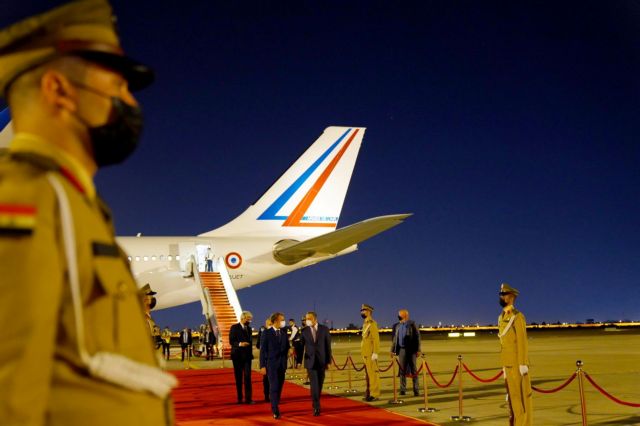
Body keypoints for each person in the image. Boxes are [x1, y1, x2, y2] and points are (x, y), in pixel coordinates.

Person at [0, 1, 176, 424]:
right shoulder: (25, 198)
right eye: (117, 86)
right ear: (58, 90)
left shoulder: (72, 200)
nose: (129, 102)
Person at [498, 283, 533, 426]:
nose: (501, 297)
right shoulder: (501, 317)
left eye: (504, 294)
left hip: (517, 364)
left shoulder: (517, 317)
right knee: (512, 399)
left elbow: (522, 341)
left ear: (511, 297)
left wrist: (523, 363)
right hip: (507, 363)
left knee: (521, 399)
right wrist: (503, 365)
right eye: (501, 294)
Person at [300, 311, 332, 416]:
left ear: (315, 319)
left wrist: (328, 361)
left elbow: (328, 346)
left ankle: (316, 400)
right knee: (314, 384)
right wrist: (299, 361)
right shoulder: (304, 331)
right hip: (310, 361)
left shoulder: (324, 329)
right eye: (306, 318)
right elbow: (301, 347)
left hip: (322, 361)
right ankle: (316, 406)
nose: (307, 320)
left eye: (309, 318)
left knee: (320, 384)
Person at [259, 312, 290, 419]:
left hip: (282, 364)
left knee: (280, 386)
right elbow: (263, 351)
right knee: (274, 386)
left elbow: (287, 347)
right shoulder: (266, 333)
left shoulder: (284, 333)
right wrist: (262, 365)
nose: (283, 322)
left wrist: (290, 350)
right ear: (276, 321)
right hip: (271, 365)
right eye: (282, 320)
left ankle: (275, 401)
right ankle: (275, 409)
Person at [390, 309, 421, 396]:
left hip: (411, 350)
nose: (398, 316)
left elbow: (418, 337)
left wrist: (418, 350)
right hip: (402, 350)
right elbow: (395, 339)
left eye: (400, 315)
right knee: (402, 370)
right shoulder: (397, 326)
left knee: (414, 370)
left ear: (405, 315)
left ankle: (416, 390)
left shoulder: (412, 324)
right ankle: (402, 389)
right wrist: (392, 350)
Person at [229, 311, 254, 404]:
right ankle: (240, 398)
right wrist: (240, 344)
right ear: (243, 318)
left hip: (247, 357)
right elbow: (231, 341)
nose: (249, 321)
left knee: (248, 377)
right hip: (237, 356)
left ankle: (248, 398)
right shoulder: (234, 327)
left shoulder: (249, 329)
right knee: (238, 378)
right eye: (248, 319)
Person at [360, 303, 380, 401]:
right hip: (365, 353)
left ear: (369, 312)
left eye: (363, 310)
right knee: (368, 375)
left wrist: (375, 353)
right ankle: (368, 393)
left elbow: (376, 339)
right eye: (361, 310)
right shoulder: (365, 324)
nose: (362, 312)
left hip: (371, 354)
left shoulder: (372, 323)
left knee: (373, 375)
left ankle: (374, 394)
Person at [256, 318, 273, 402]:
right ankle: (267, 395)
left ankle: (273, 395)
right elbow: (261, 350)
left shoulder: (278, 332)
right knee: (266, 380)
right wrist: (262, 365)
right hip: (267, 361)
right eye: (269, 324)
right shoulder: (264, 333)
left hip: (275, 361)